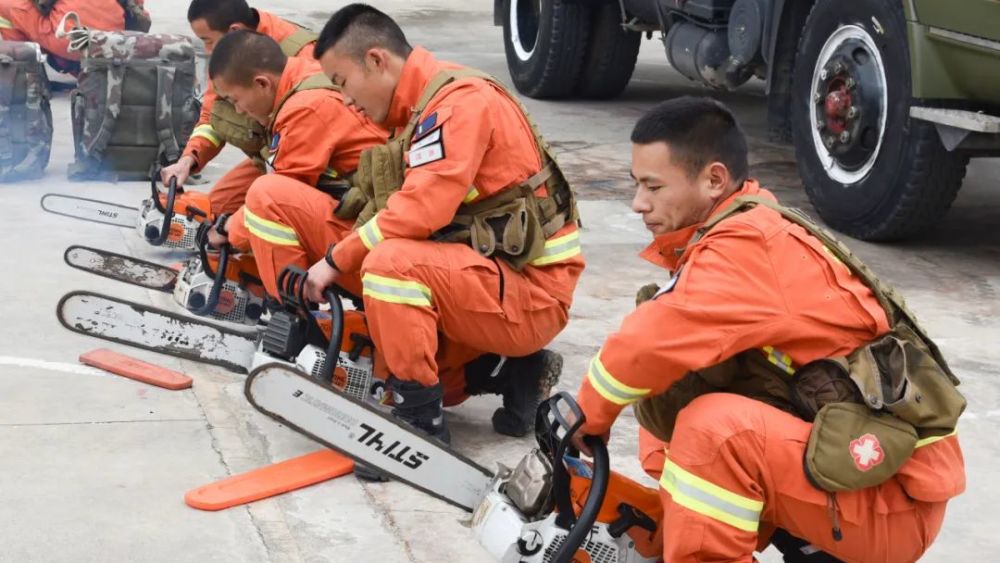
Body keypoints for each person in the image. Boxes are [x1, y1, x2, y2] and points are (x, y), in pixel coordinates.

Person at [570, 97, 965, 562]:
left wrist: (583, 418)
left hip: (893, 504)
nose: (638, 204)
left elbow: (647, 342)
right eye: (636, 185)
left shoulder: (748, 246)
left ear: (714, 180)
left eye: (654, 187)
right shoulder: (740, 227)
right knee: (671, 406)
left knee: (715, 433)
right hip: (859, 472)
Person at [301, 4, 585, 444]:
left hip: (531, 295)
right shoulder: (424, 102)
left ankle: (419, 426)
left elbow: (420, 212)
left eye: (342, 82)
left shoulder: (457, 104)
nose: (346, 101)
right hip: (492, 278)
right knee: (429, 363)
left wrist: (335, 260)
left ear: (376, 60)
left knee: (390, 264)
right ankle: (510, 373)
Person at [204, 30, 386, 299]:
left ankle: (293, 308)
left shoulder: (306, 107)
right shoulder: (302, 76)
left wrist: (225, 230)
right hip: (370, 217)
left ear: (262, 84)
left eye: (235, 100)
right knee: (240, 199)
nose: (239, 111)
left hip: (370, 239)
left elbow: (275, 195)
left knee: (267, 199)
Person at [160, 0, 323, 217]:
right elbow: (212, 115)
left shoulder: (304, 55)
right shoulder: (228, 54)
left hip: (310, 163)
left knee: (261, 219)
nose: (207, 51)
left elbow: (307, 158)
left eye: (208, 41)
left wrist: (236, 227)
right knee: (211, 212)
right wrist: (188, 159)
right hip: (271, 155)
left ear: (233, 30)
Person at [0, 0, 148, 74]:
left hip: (70, 40)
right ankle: (90, 71)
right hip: (114, 42)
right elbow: (137, 8)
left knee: (5, 6)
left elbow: (42, 5)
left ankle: (25, 75)